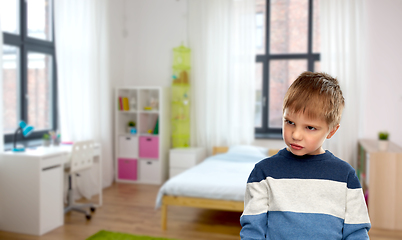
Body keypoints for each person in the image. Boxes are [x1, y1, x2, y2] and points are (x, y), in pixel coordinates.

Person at [240, 72, 370, 239]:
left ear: (332, 131)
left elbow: (357, 232)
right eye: (290, 122)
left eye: (310, 127)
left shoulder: (346, 176)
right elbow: (253, 230)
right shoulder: (263, 172)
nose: (296, 135)